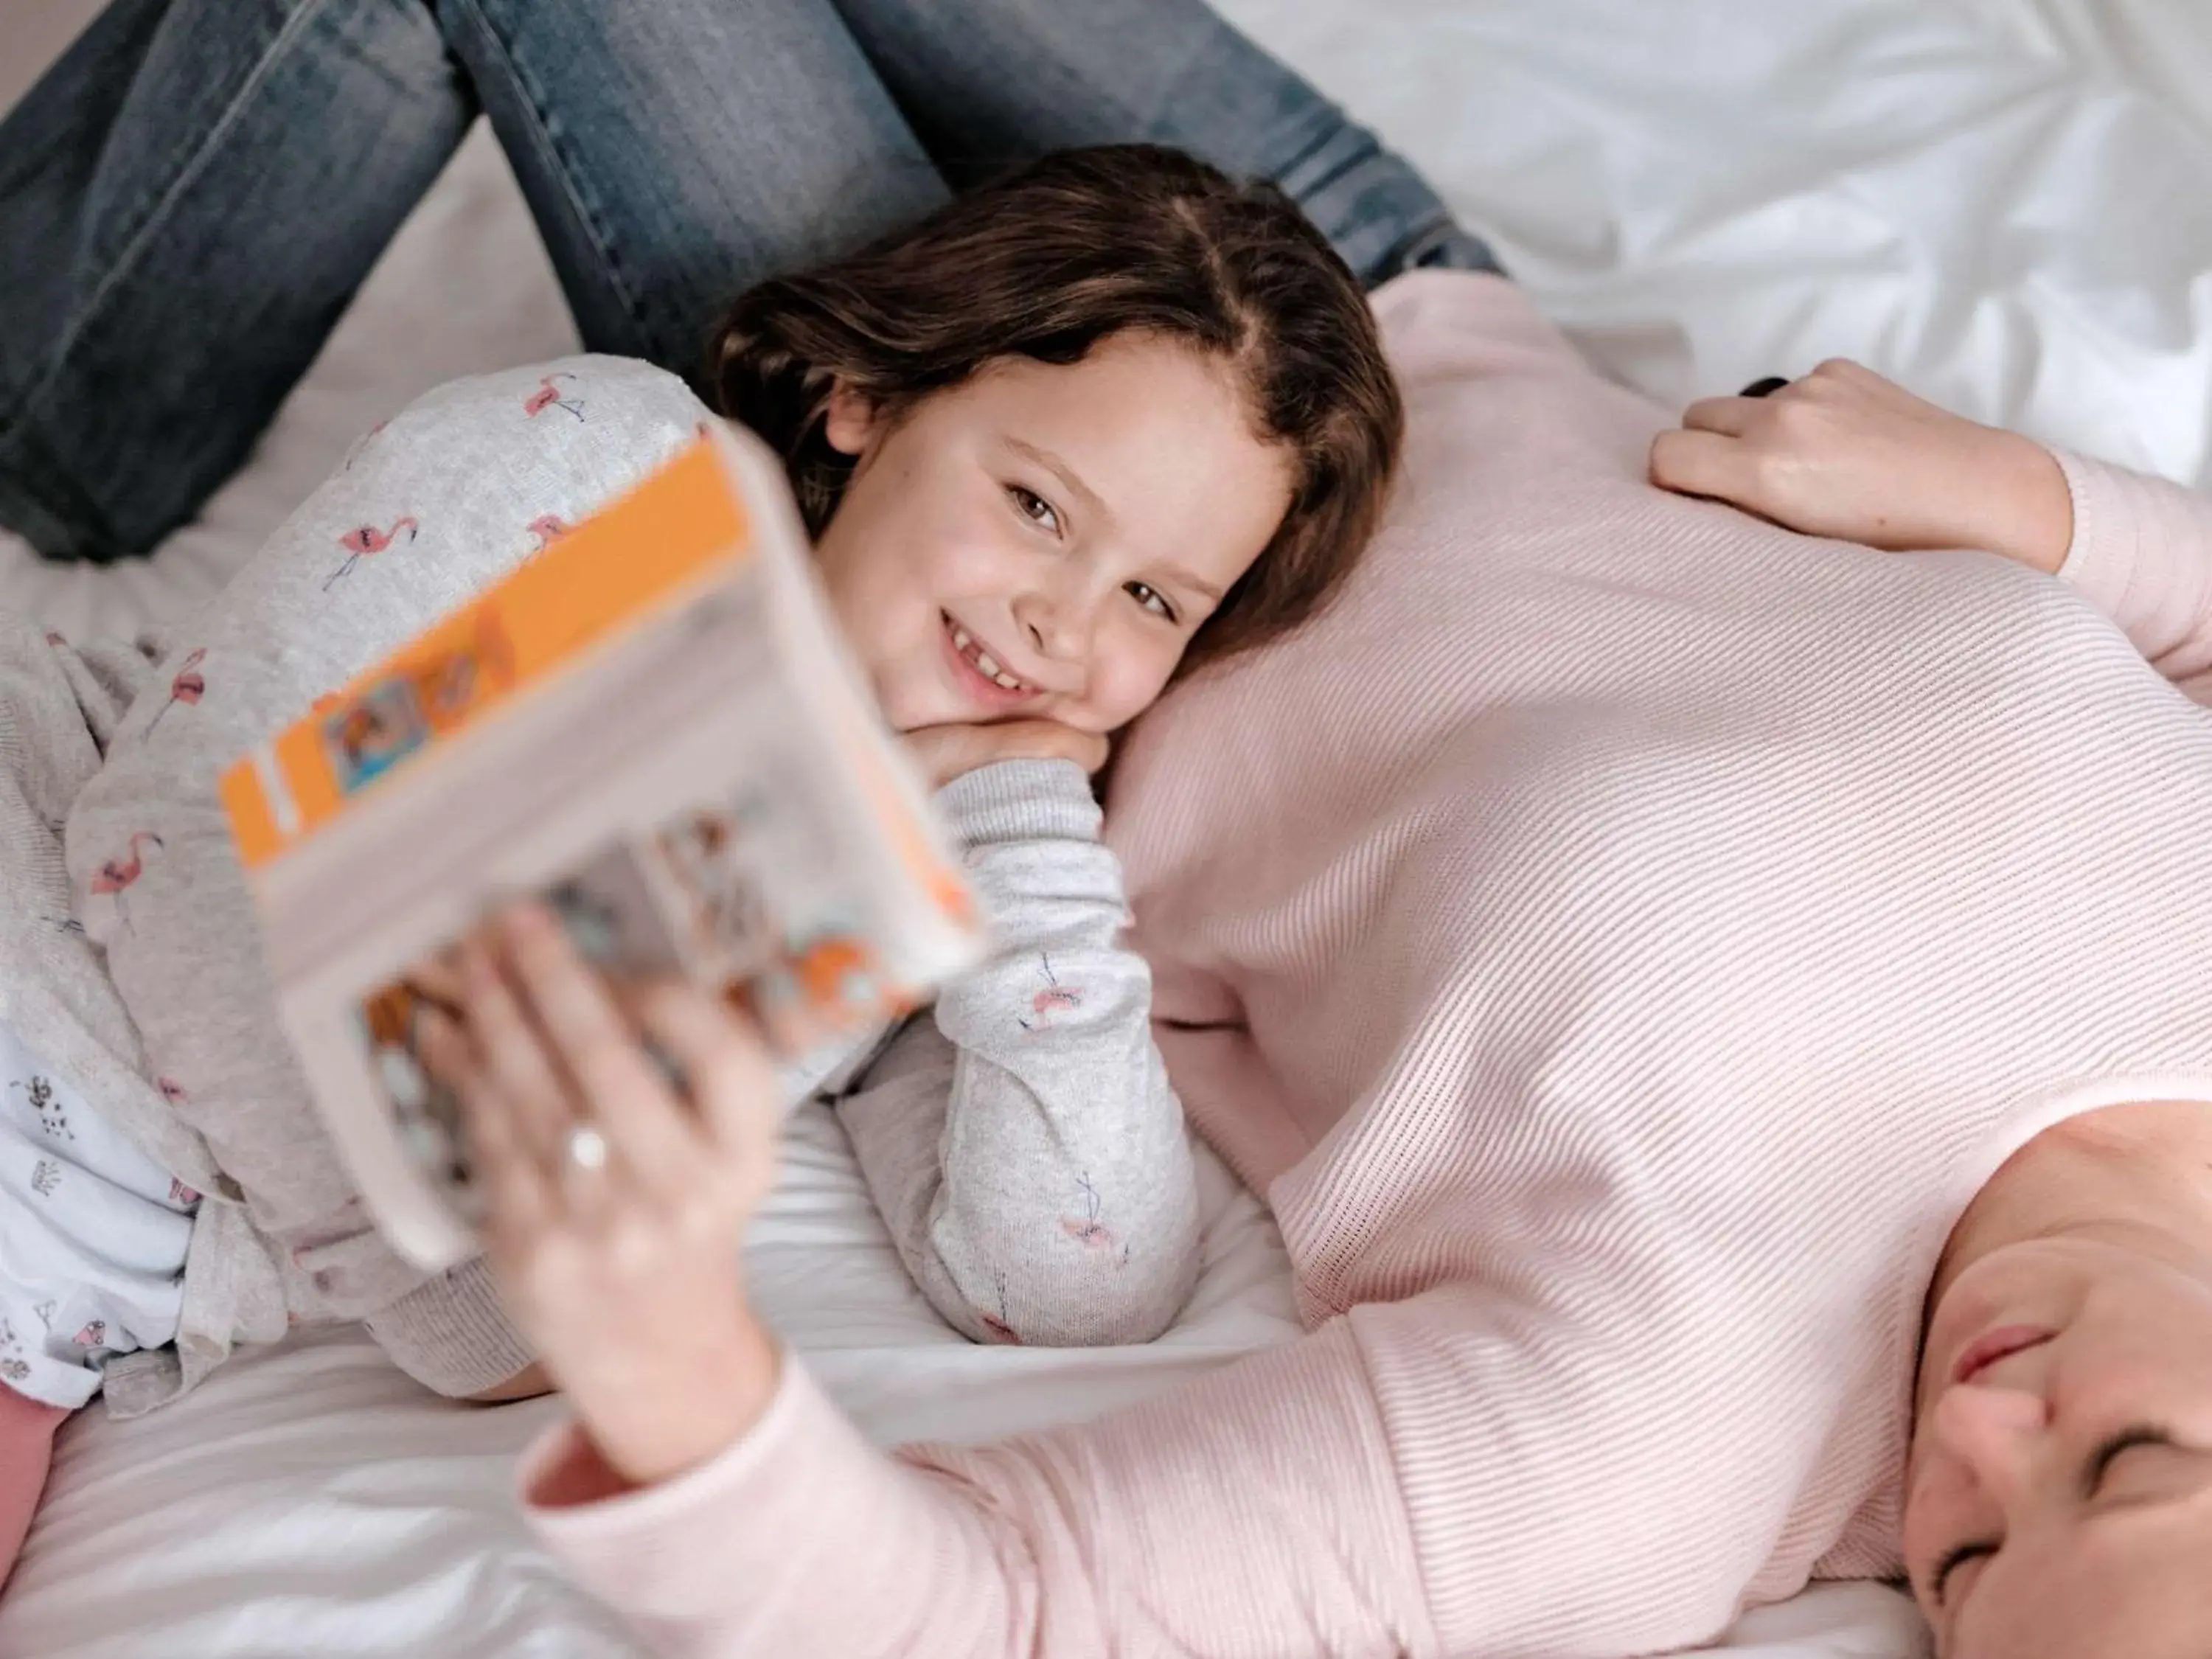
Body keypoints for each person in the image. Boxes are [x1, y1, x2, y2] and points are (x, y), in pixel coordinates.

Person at [423, 286, 2212, 1656]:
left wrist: (669, 1363)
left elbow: (999, 1603)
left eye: (1967, 1567)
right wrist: (2042, 507)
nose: (1979, 1433)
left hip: (1016, 570)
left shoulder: (1663, 1431)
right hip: (1372, 308)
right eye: (2127, 1459)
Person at [0, 0, 1455, 1590]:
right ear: (869, 400)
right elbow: (174, 846)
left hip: (60, 1309)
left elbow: (1063, 1293)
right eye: (1038, 506)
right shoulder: (622, 484)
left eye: (1154, 604)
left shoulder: (898, 879)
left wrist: (1029, 844)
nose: (1063, 625)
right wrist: (450, 1302)